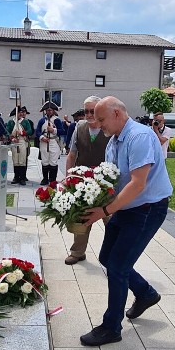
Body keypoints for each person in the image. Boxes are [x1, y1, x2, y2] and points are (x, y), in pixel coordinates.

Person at [78, 96, 173, 347]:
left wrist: (105, 210)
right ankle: (145, 293)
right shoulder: (114, 141)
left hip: (147, 209)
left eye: (101, 119)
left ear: (117, 114)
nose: (97, 124)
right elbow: (112, 179)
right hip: (127, 207)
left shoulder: (138, 137)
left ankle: (111, 327)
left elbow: (138, 184)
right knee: (107, 258)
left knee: (118, 266)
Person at [64, 96, 110, 265]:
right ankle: (77, 252)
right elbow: (72, 154)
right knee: (81, 219)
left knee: (111, 221)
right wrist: (69, 177)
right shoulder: (79, 127)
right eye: (86, 111)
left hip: (106, 185)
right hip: (82, 182)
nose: (89, 114)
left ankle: (113, 255)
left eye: (93, 111)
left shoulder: (109, 129)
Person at [35, 101, 65, 185]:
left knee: (53, 162)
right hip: (44, 142)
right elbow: (37, 131)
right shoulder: (42, 120)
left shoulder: (57, 120)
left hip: (54, 142)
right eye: (47, 110)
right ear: (45, 111)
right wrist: (42, 137)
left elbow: (62, 131)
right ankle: (45, 179)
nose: (49, 112)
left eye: (51, 110)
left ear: (53, 111)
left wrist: (53, 130)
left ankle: (52, 180)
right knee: (45, 161)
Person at [6, 105, 34, 185]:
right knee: (15, 160)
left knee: (22, 160)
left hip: (22, 141)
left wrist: (22, 133)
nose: (21, 114)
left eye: (21, 112)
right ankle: (16, 177)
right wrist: (12, 138)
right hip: (14, 141)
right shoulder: (11, 122)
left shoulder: (25, 122)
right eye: (19, 112)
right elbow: (7, 131)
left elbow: (30, 131)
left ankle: (22, 178)